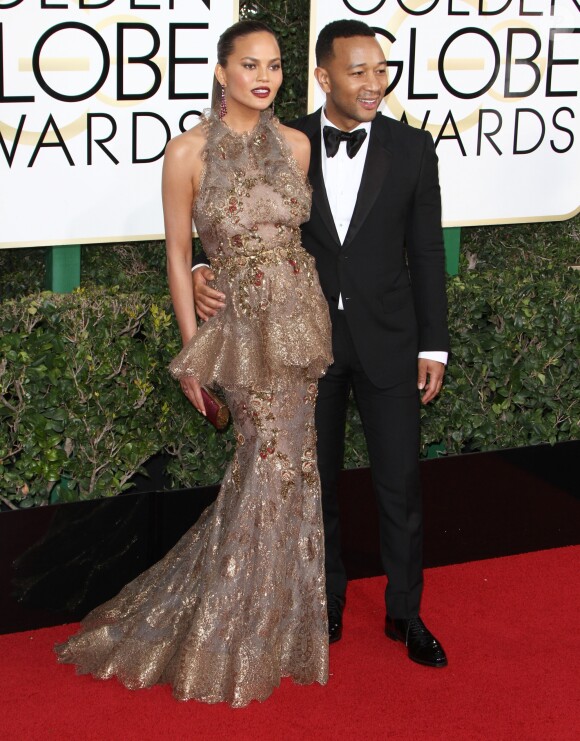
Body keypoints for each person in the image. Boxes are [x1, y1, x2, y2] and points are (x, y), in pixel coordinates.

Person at [55, 20, 333, 707]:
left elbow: (292, 237)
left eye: (272, 65)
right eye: (249, 65)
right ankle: (224, 627)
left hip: (299, 322)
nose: (263, 77)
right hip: (240, 332)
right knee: (265, 458)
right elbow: (179, 255)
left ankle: (273, 623)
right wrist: (190, 353)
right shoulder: (186, 153)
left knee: (295, 467)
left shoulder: (297, 147)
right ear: (221, 71)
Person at [193, 19, 450, 669]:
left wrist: (435, 345)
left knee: (400, 484)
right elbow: (237, 215)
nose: (373, 84)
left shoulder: (413, 149)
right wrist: (201, 267)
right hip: (304, 342)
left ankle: (406, 611)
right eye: (358, 72)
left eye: (381, 72)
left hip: (391, 341)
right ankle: (325, 601)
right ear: (324, 76)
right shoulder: (285, 140)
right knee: (319, 484)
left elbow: (425, 251)